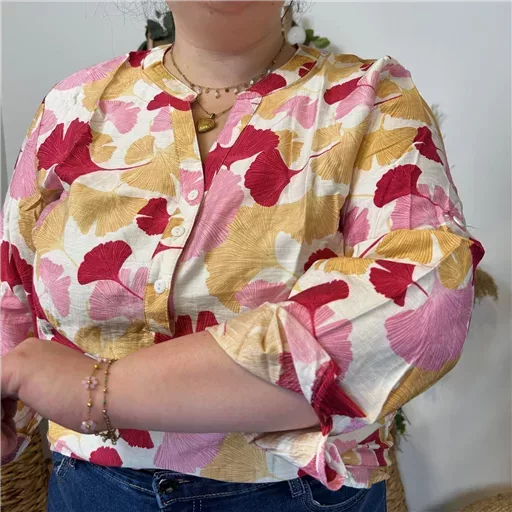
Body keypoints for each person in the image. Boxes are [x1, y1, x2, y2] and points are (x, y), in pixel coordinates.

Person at [0, 1, 484, 511]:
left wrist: (99, 390)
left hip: (298, 494)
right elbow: (11, 297)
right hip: (90, 492)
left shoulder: (372, 99)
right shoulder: (72, 105)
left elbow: (424, 303)